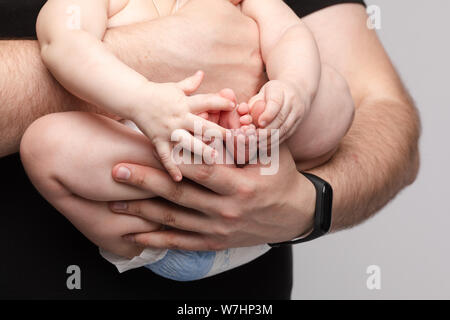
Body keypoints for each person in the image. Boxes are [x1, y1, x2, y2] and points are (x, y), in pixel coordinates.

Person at [0, 0, 420, 299]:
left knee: (332, 95)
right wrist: (142, 99)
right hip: (151, 208)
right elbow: (65, 45)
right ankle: (155, 215)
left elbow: (291, 33)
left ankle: (240, 164)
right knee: (45, 144)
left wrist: (290, 87)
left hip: (256, 172)